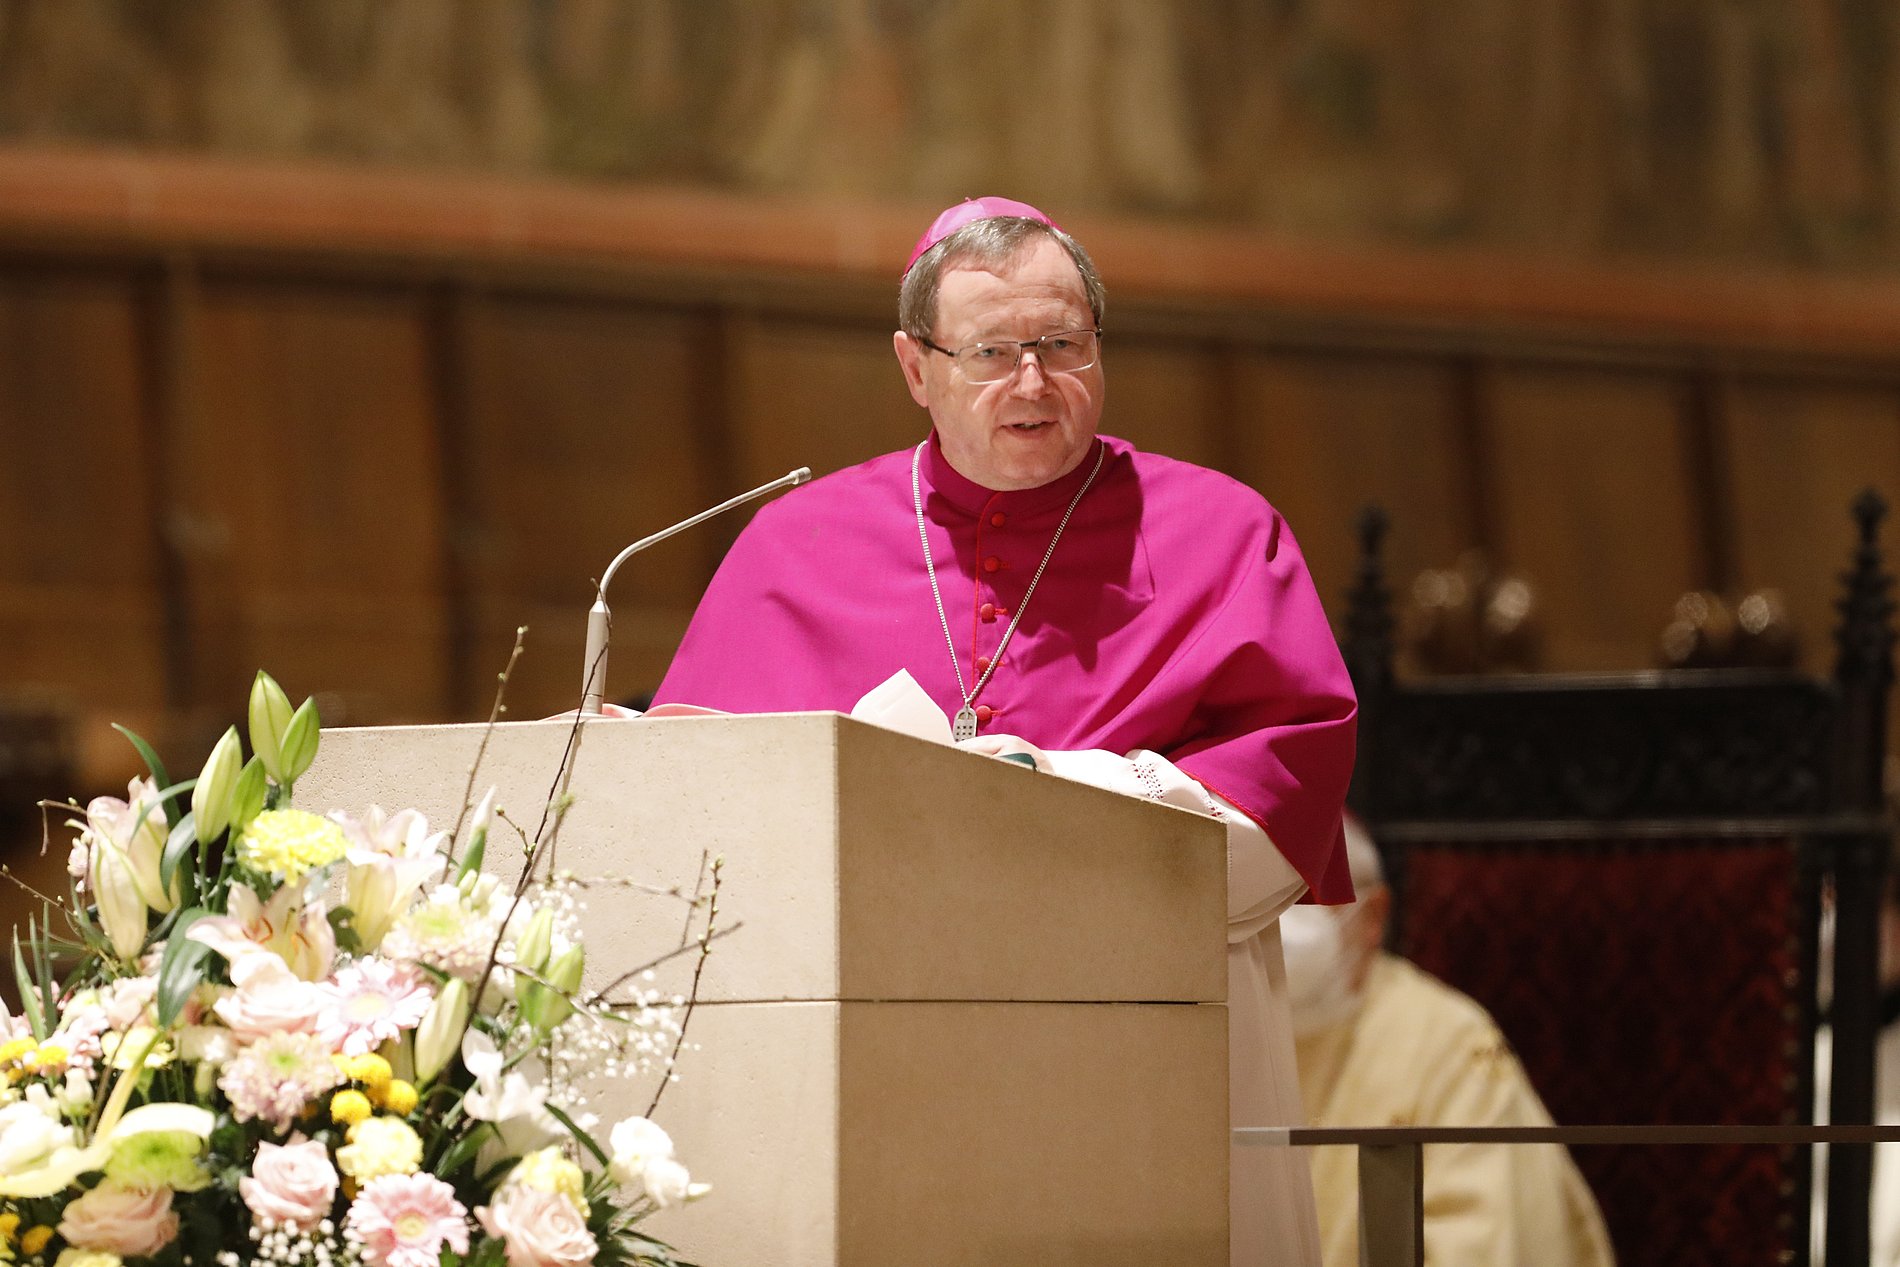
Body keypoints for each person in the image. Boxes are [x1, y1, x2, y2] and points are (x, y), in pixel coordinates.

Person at [654, 195, 1358, 1266]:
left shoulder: (1221, 530)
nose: (1032, 383)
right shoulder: (794, 543)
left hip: (1142, 1046)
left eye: (1061, 345)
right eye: (991, 351)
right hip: (867, 1053)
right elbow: (702, 808)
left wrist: (1039, 789)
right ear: (914, 365)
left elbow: (1284, 786)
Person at [1285, 818, 1616, 1267]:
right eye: (1262, 901)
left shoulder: (1452, 1046)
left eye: (1307, 895)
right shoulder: (1190, 1031)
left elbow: (1489, 1245)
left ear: (1374, 917)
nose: (1282, 922)